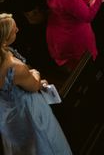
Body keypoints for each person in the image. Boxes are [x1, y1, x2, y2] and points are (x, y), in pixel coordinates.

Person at [0, 13, 73, 155]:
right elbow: (34, 85)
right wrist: (35, 74)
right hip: (27, 110)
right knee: (46, 142)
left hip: (6, 114)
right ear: (3, 42)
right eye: (13, 30)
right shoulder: (14, 67)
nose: (18, 30)